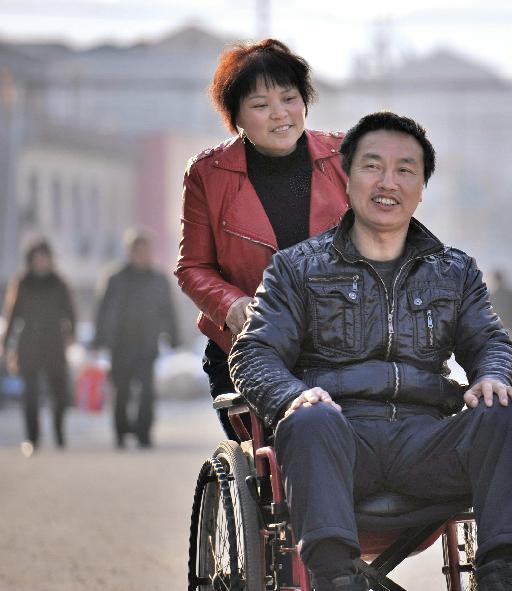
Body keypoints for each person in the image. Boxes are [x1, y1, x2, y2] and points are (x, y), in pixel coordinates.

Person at [230, 112, 512, 591]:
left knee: (510, 417)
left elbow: (490, 342)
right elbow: (254, 352)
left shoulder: (454, 271)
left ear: (421, 188)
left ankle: (506, 576)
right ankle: (336, 579)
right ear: (346, 177)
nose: (388, 183)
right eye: (373, 166)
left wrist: (493, 376)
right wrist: (292, 397)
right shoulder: (296, 268)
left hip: (426, 444)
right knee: (309, 419)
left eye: (404, 170)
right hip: (338, 439)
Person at [175, 38, 349, 440]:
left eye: (289, 98)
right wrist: (231, 305)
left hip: (340, 348)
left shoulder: (346, 157)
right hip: (248, 347)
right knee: (286, 452)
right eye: (260, 105)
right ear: (235, 115)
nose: (279, 114)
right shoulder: (208, 174)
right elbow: (193, 267)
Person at [94, 231, 180, 448]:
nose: (143, 255)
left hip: (146, 344)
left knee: (147, 393)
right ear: (130, 252)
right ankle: (121, 432)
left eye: (146, 250)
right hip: (120, 345)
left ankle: (144, 433)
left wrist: (174, 337)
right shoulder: (115, 278)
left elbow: (168, 311)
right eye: (138, 250)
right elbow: (103, 311)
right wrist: (99, 339)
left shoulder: (158, 280)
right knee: (121, 391)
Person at [1, 240, 76, 456]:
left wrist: (72, 334)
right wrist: (5, 345)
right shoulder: (22, 283)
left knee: (59, 394)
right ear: (31, 261)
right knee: (31, 396)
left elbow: (70, 313)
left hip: (54, 343)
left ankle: (59, 433)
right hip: (29, 345)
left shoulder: (59, 284)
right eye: (37, 258)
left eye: (44, 257)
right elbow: (12, 316)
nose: (41, 262)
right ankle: (32, 437)